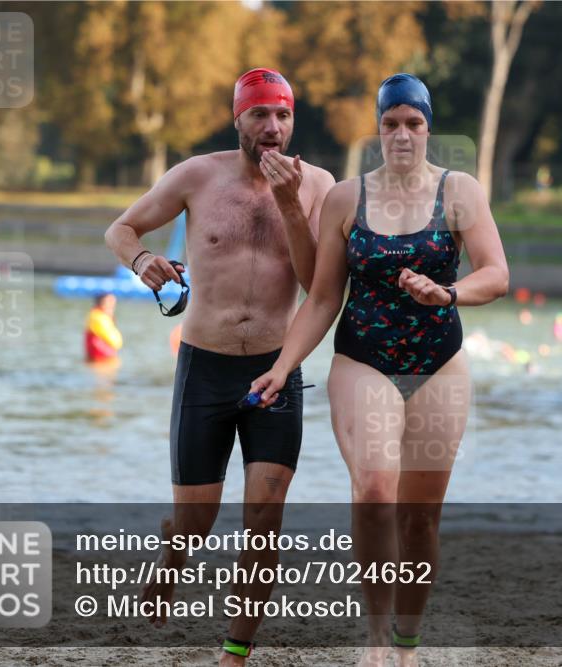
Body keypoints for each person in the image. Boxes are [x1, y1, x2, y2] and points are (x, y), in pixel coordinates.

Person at [249, 73, 509, 667]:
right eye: (390, 123)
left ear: (428, 128)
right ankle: (373, 640)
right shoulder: (346, 198)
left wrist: (446, 293)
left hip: (439, 363)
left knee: (421, 519)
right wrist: (284, 367)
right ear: (378, 128)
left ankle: (408, 642)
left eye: (413, 123)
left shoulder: (459, 191)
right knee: (373, 487)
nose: (401, 134)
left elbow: (495, 273)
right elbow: (320, 297)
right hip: (362, 358)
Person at [104, 67, 335, 665]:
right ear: (238, 119)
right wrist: (144, 258)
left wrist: (288, 204)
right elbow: (120, 228)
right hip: (204, 367)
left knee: (264, 516)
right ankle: (173, 555)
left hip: (276, 370)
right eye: (260, 114)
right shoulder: (196, 176)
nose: (272, 128)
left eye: (283, 115)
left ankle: (236, 650)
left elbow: (317, 286)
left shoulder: (317, 187)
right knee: (197, 519)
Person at [84, 293, 122, 364]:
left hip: (103, 357)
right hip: (100, 359)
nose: (112, 306)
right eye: (109, 302)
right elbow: (115, 341)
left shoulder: (102, 316)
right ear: (101, 303)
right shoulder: (97, 317)